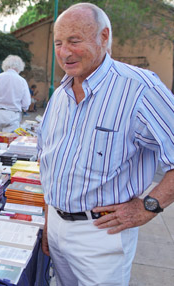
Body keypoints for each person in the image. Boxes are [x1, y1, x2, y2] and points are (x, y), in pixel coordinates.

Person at [38, 3, 174, 286]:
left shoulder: (139, 89)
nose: (64, 52)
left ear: (103, 37)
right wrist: (51, 217)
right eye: (59, 43)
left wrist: (148, 207)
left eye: (75, 41)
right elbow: (49, 163)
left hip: (101, 235)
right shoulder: (60, 95)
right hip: (58, 230)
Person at [0, 55, 31, 133]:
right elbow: (26, 103)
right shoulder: (22, 81)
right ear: (20, 67)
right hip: (13, 114)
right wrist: (25, 108)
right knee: (10, 141)